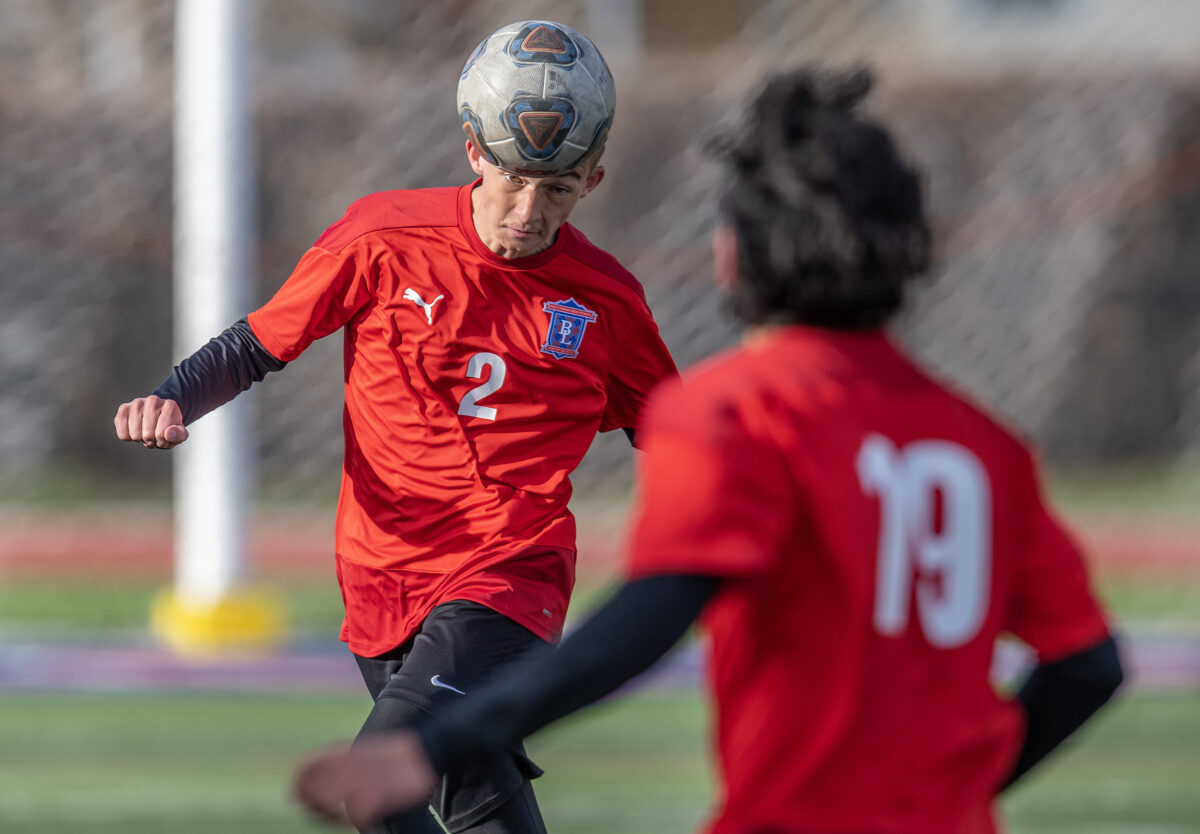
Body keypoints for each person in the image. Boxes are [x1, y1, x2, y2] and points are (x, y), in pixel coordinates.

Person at [291, 65, 1125, 834]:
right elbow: (1088, 668)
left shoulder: (738, 413)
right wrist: (959, 785)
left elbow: (646, 622)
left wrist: (435, 745)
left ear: (731, 257)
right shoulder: (985, 446)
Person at [114, 20, 677, 834]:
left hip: (506, 580)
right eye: (514, 179)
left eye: (557, 189)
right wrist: (173, 397)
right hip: (382, 579)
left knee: (374, 782)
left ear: (592, 181)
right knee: (480, 805)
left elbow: (674, 428)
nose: (527, 211)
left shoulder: (606, 301)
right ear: (474, 151)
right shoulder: (384, 238)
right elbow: (259, 342)